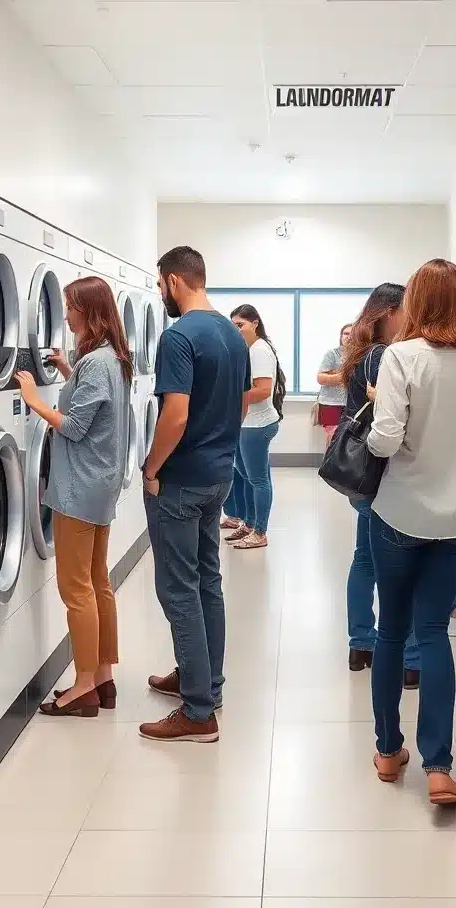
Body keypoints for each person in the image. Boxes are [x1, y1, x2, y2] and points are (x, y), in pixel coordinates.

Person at [366, 259, 456, 805]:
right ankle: (439, 767)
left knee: (389, 633)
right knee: (433, 632)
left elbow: (382, 442)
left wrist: (388, 411)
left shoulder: (401, 356)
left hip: (399, 513)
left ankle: (386, 750)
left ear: (418, 302)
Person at [139, 246, 250, 743]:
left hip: (181, 480)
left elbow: (176, 415)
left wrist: (152, 465)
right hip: (218, 475)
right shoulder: (233, 332)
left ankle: (198, 712)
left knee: (178, 588)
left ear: (173, 281)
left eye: (160, 284)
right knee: (207, 581)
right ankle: (204, 680)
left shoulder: (178, 335)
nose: (160, 292)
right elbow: (243, 403)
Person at [15, 276, 132, 717]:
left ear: (88, 311)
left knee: (76, 588)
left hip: (79, 489)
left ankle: (82, 685)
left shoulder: (97, 364)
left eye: (69, 307)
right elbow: (95, 408)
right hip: (100, 486)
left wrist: (33, 399)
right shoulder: (111, 359)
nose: (64, 315)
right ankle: (103, 678)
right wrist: (67, 370)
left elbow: (76, 425)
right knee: (99, 582)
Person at [340, 283, 422, 680]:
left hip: (363, 475)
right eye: (406, 309)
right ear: (390, 312)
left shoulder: (361, 354)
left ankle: (360, 644)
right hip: (385, 475)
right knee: (398, 568)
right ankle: (409, 660)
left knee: (364, 560)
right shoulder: (386, 355)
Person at [221, 304, 284, 550]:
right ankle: (248, 524)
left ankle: (260, 532)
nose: (236, 331)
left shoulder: (259, 350)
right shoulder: (248, 349)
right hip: (247, 422)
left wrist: (228, 397)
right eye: (233, 326)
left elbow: (263, 391)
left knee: (257, 480)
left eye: (240, 325)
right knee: (247, 477)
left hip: (257, 425)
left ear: (255, 323)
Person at [315, 324, 352, 445]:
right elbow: (320, 378)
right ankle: (329, 463)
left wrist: (334, 375)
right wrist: (344, 376)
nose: (348, 336)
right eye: (346, 333)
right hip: (330, 403)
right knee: (333, 436)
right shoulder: (332, 354)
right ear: (341, 336)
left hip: (351, 403)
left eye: (352, 334)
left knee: (346, 439)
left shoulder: (359, 355)